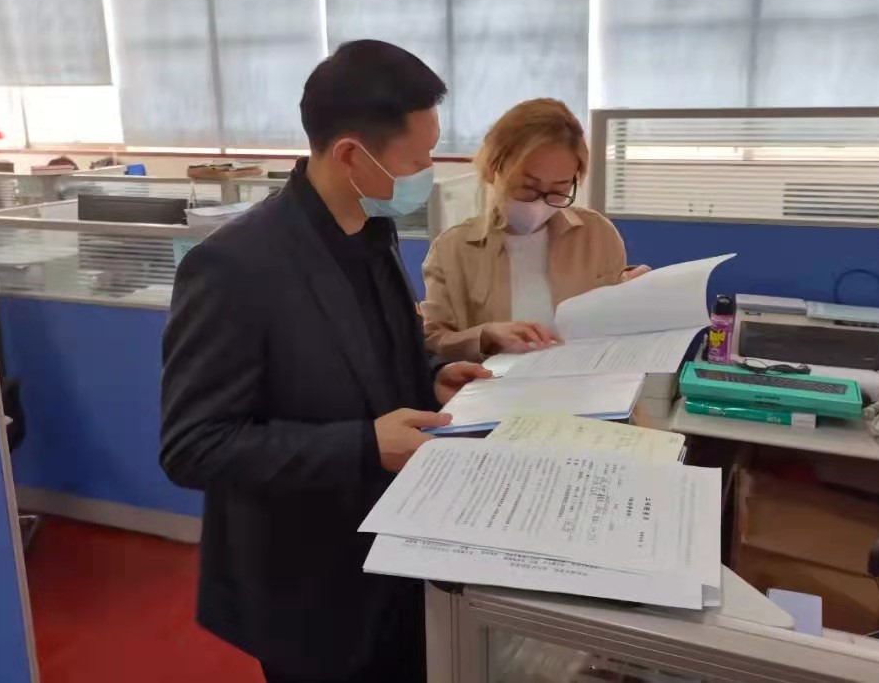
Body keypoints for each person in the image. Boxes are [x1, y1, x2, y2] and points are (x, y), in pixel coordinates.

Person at [159, 40, 489, 683]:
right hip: (312, 593)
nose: (427, 171)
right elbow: (193, 446)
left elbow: (364, 358)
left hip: (394, 560)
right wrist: (364, 446)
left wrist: (429, 376)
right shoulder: (233, 267)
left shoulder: (372, 231)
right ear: (350, 156)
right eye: (418, 159)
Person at [421, 98, 650, 362]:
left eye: (559, 190)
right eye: (528, 187)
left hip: (584, 379)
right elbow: (432, 341)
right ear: (494, 169)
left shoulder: (597, 235)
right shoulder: (452, 250)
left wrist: (637, 294)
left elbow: (615, 324)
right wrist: (485, 335)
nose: (540, 203)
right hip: (495, 385)